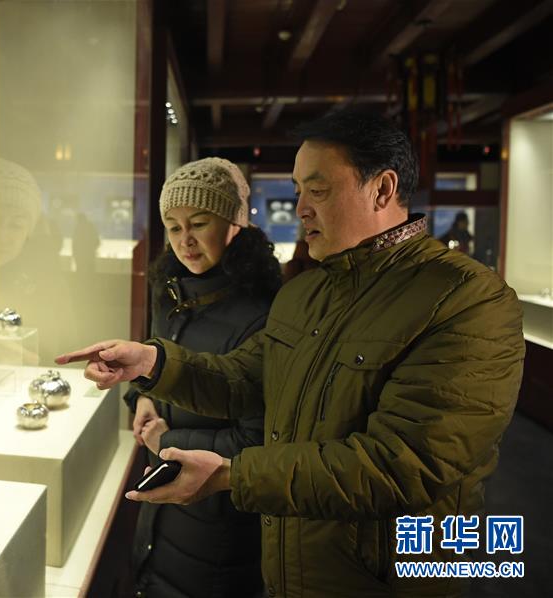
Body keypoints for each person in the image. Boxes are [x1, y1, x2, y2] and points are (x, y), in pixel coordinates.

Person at [56, 110, 525, 598]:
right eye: (298, 190)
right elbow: (245, 380)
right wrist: (152, 364)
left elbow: (403, 464)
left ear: (382, 189)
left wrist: (233, 475)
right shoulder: (305, 292)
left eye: (317, 190)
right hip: (288, 562)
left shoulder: (466, 299)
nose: (299, 208)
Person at [125, 157, 281, 598]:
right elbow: (155, 369)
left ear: (235, 223)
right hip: (162, 510)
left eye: (198, 223)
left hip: (220, 524)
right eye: (173, 227)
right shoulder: (171, 294)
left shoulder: (263, 315)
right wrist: (143, 398)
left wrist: (166, 442)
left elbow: (259, 442)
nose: (185, 241)